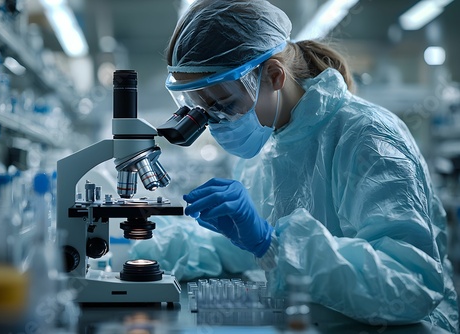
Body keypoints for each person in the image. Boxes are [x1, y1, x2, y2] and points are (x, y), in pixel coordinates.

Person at [133, 0, 459, 331]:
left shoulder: (367, 136)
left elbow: (412, 283)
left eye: (225, 104)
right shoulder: (268, 145)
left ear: (274, 75)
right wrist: (144, 250)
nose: (216, 122)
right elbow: (246, 253)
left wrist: (271, 242)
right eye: (203, 109)